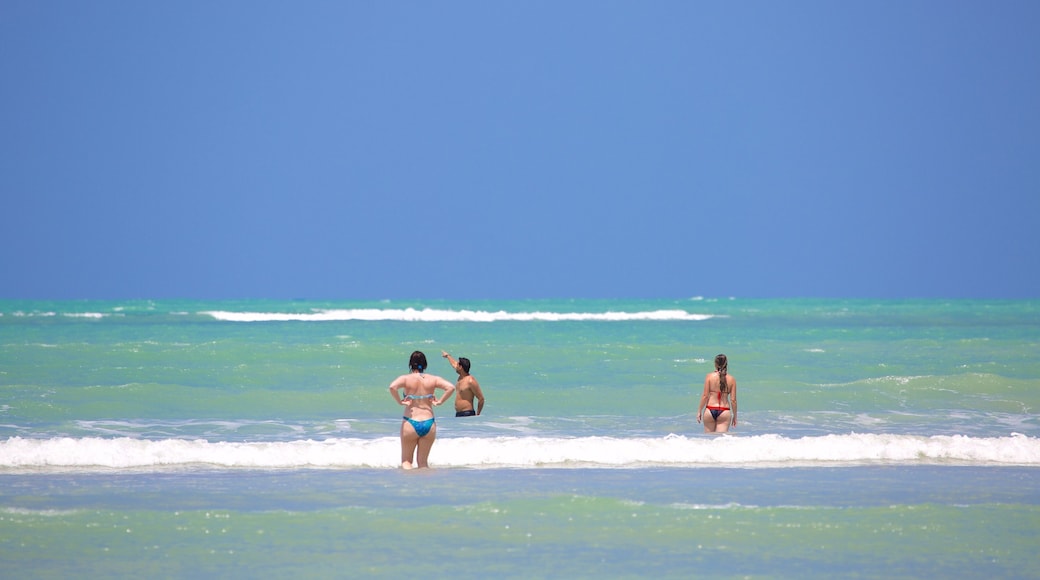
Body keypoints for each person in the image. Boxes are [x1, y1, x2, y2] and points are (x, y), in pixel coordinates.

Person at [388, 351, 455, 469]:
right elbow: (450, 387)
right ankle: (423, 486)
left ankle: (408, 486)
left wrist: (400, 401)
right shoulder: (433, 379)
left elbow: (392, 387)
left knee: (406, 461)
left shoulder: (405, 378)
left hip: (410, 422)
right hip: (429, 422)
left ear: (410, 364)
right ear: (425, 364)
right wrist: (439, 401)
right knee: (423, 463)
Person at [697, 353, 737, 433]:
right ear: (726, 364)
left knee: (708, 440)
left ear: (715, 364)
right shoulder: (732, 379)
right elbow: (733, 400)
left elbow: (705, 396)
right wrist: (735, 415)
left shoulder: (709, 376)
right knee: (720, 440)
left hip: (710, 409)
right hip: (724, 411)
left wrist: (699, 411)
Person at [442, 351, 485, 417]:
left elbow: (481, 398)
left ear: (461, 367)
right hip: (458, 414)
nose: (455, 366)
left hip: (467, 414)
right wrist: (448, 356)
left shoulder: (470, 381)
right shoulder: (461, 377)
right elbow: (453, 363)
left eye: (457, 365)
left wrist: (478, 414)